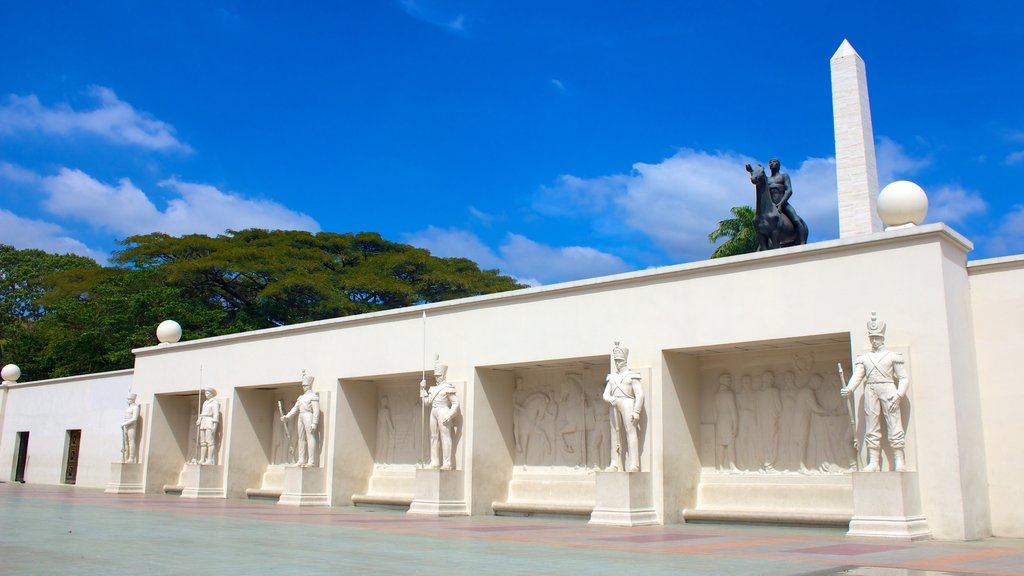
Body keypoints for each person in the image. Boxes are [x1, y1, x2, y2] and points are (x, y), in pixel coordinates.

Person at [842, 312, 909, 472]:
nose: (874, 341)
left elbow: (904, 377)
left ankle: (899, 460)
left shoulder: (892, 357)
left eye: (876, 337)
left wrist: (899, 394)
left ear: (882, 338)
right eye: (872, 338)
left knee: (894, 423)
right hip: (871, 389)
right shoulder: (865, 358)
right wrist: (849, 388)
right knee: (872, 425)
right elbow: (857, 376)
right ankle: (873, 462)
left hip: (888, 389)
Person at [603, 341, 645, 472]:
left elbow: (640, 394)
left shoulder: (632, 375)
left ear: (625, 360)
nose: (617, 363)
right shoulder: (612, 377)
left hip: (628, 403)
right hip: (614, 403)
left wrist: (637, 411)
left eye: (620, 360)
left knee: (630, 432)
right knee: (614, 434)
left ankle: (634, 464)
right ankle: (614, 463)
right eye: (616, 360)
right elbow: (605, 393)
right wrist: (610, 399)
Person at [420, 359, 460, 470]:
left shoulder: (448, 387)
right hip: (433, 411)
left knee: (445, 437)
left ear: (443, 375)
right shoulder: (433, 389)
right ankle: (435, 461)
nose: (437, 377)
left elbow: (456, 403)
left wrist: (450, 415)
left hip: (443, 410)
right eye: (436, 375)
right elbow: (426, 402)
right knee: (433, 437)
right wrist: (422, 389)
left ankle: (447, 463)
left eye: (439, 375)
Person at [281, 370, 320, 467]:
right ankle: (301, 459)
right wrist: (287, 417)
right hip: (301, 416)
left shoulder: (313, 397)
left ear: (309, 385)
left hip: (308, 416)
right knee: (301, 438)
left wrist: (314, 423)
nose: (303, 387)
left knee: (310, 436)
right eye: (303, 385)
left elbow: (316, 411)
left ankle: (311, 460)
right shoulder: (301, 397)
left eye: (305, 385)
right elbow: (295, 409)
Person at [766, 159, 809, 245]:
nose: (771, 164)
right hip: (771, 206)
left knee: (796, 220)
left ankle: (802, 242)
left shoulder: (784, 176)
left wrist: (781, 203)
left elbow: (789, 190)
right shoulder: (767, 180)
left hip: (783, 204)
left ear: (779, 165)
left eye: (774, 162)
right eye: (770, 162)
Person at [713, 374, 739, 473]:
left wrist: (717, 423)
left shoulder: (716, 395)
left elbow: (714, 412)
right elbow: (733, 411)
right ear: (723, 381)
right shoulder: (729, 394)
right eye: (728, 379)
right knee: (730, 444)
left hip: (719, 421)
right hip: (727, 421)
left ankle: (720, 468)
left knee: (720, 445)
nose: (730, 381)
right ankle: (732, 467)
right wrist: (735, 426)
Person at [196, 388, 221, 465]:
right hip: (203, 421)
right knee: (202, 442)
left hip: (209, 421)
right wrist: (199, 419)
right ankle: (202, 459)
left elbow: (216, 414)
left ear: (211, 394)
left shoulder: (214, 402)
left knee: (209, 442)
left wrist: (215, 425)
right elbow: (202, 413)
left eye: (208, 393)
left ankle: (210, 460)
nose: (206, 394)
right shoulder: (205, 402)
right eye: (205, 393)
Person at [121, 393, 140, 463]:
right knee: (125, 442)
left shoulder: (136, 408)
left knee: (131, 441)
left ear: (133, 400)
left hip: (131, 426)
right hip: (125, 425)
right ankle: (125, 457)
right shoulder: (128, 408)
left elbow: (134, 418)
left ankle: (131, 458)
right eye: (128, 399)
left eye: (130, 399)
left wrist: (125, 423)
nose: (128, 400)